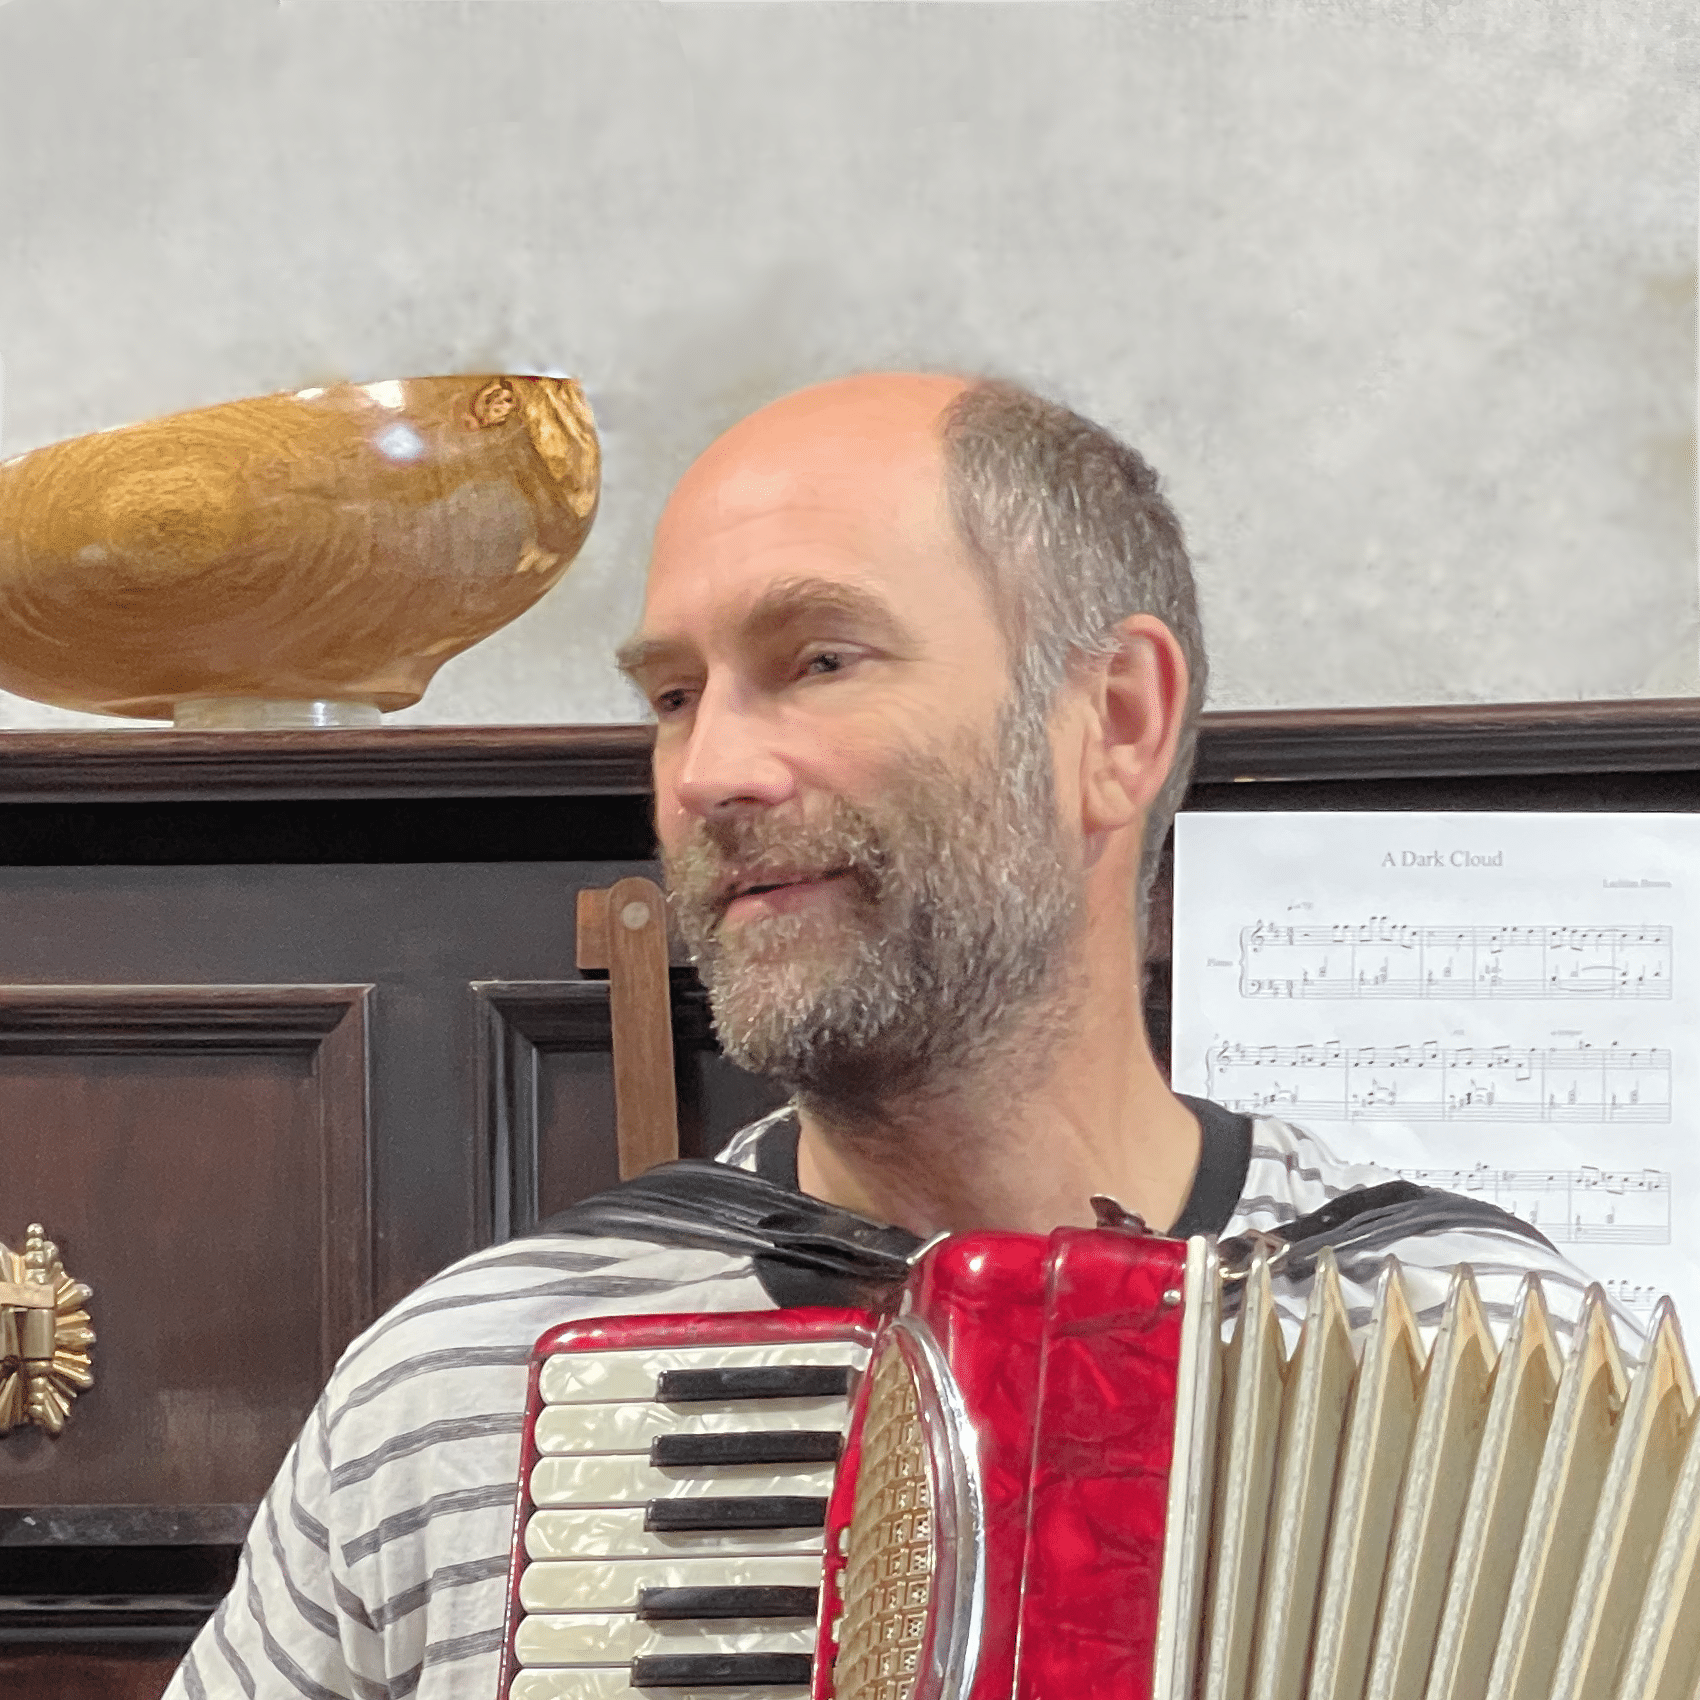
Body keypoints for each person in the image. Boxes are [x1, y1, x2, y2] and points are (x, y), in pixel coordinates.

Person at [166, 372, 1625, 1699]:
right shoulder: (459, 1391)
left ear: (1114, 721)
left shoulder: (1506, 1360)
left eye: (819, 661)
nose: (711, 771)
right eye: (676, 698)